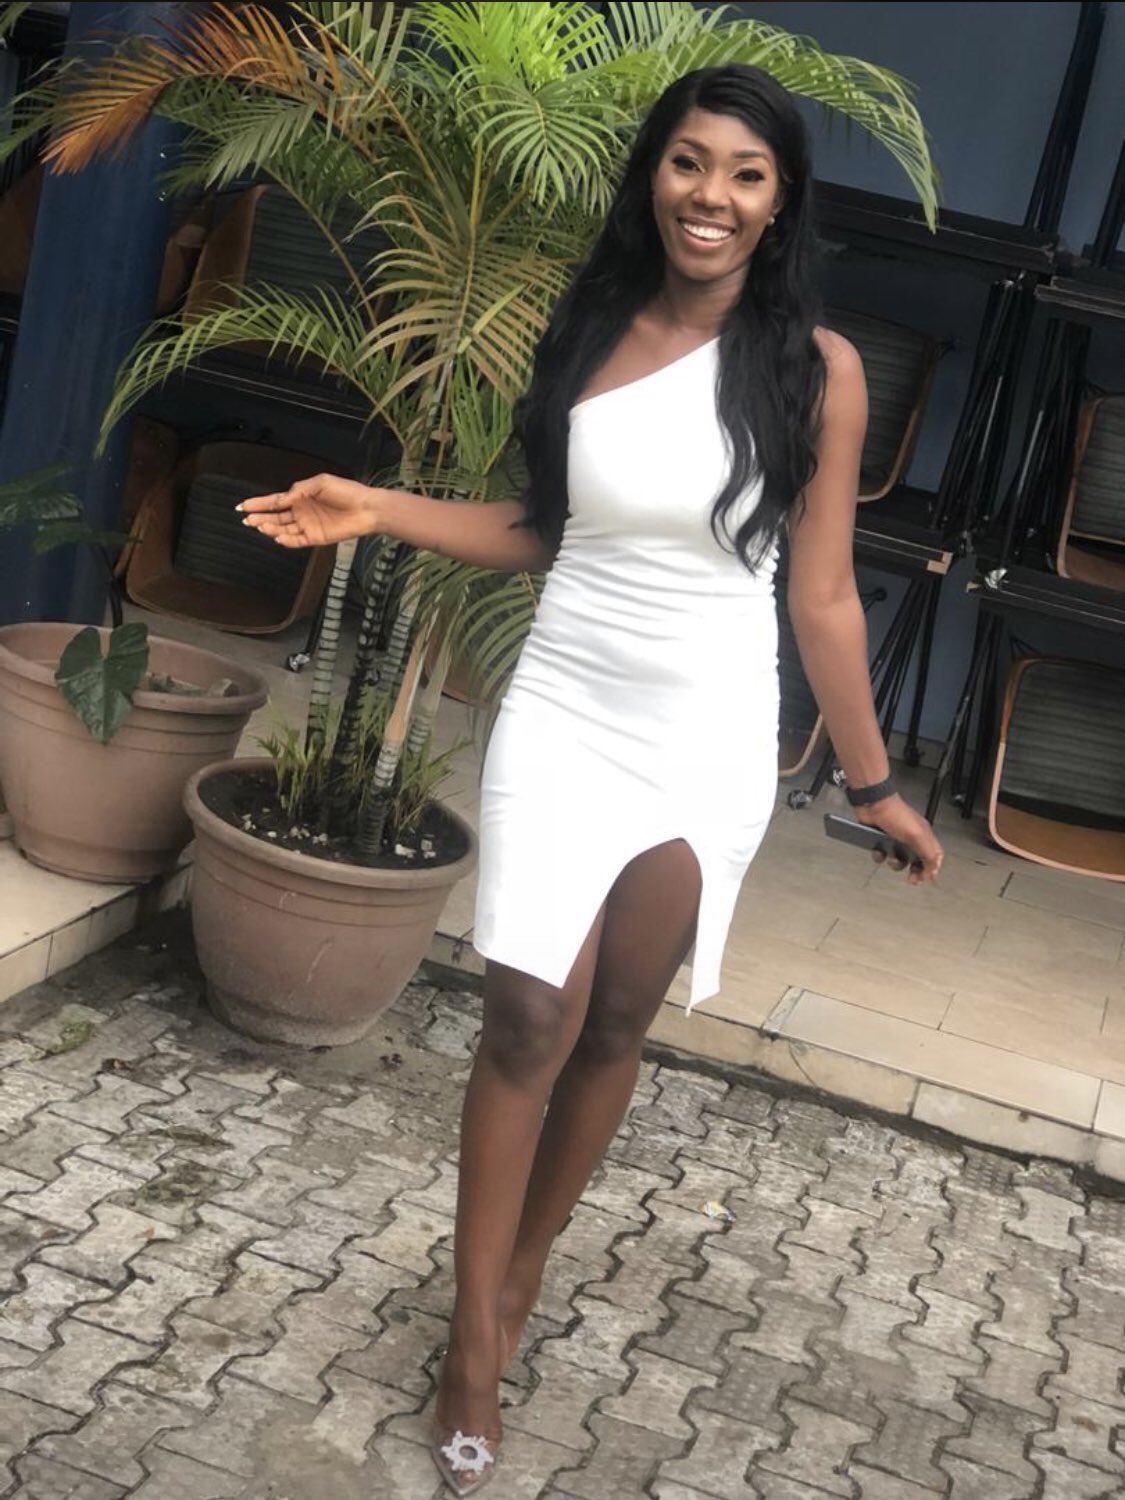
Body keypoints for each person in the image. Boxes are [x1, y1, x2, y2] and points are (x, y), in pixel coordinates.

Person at [239, 63, 944, 1496]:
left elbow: (820, 596)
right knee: (527, 1014)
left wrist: (873, 786)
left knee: (618, 1017)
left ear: (780, 202)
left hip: (707, 729)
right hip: (565, 704)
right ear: (652, 176)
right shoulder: (587, 326)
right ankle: (470, 1344)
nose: (711, 195)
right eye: (688, 162)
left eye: (745, 173)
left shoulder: (815, 370)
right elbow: (542, 529)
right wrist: (376, 507)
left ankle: (524, 1269)